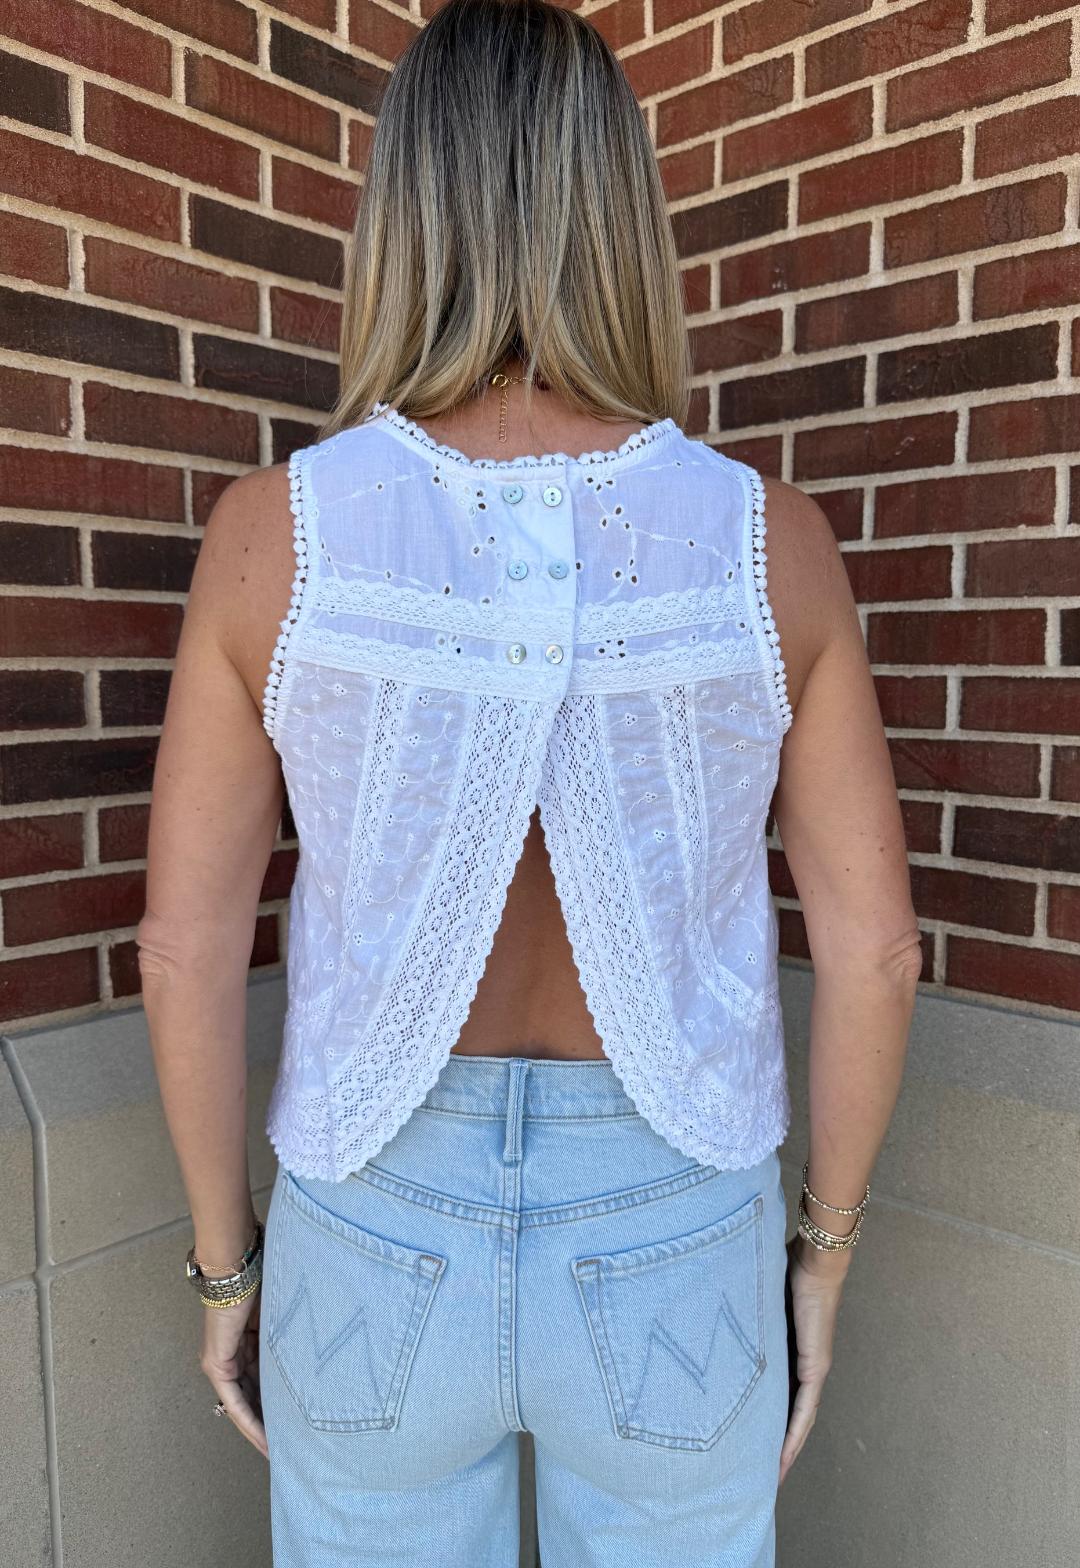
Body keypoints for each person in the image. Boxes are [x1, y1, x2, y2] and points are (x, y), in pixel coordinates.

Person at [137, 1, 921, 1562]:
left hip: (373, 1218)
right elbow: (878, 954)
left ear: (403, 216)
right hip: (675, 1219)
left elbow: (183, 950)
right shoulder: (771, 547)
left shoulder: (270, 539)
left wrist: (228, 1272)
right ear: (618, 214)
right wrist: (821, 1260)